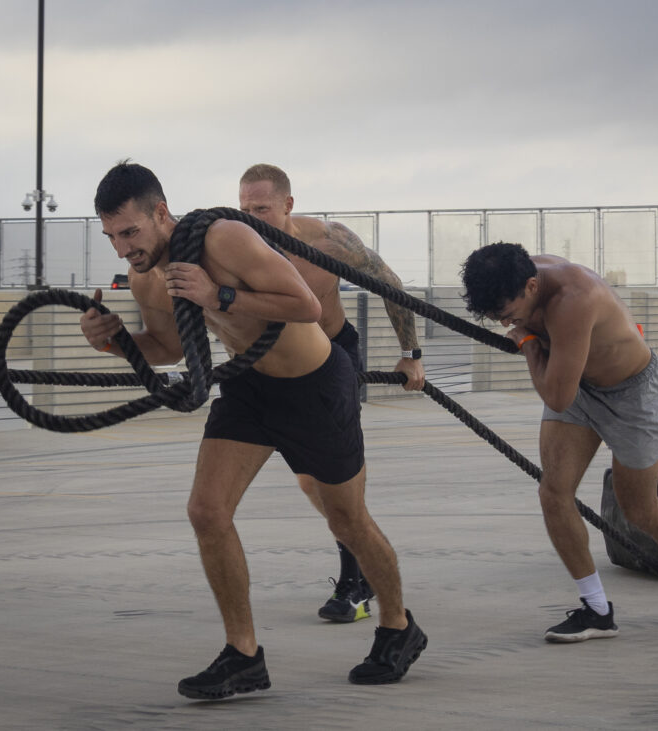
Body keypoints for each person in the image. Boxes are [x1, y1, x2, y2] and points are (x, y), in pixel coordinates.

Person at [81, 161, 426, 698]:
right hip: (249, 388)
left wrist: (216, 295)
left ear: (161, 213)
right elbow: (167, 349)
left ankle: (399, 626)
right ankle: (243, 655)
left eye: (130, 232)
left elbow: (305, 305)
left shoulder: (226, 240)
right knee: (206, 510)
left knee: (347, 520)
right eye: (111, 237)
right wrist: (113, 339)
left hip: (315, 386)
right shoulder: (148, 276)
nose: (123, 249)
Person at [460, 242, 658, 643]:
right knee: (553, 493)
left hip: (633, 393)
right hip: (579, 384)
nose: (501, 322)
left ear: (530, 286)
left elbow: (556, 396)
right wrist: (525, 329)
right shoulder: (524, 278)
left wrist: (528, 343)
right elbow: (564, 391)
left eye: (505, 314)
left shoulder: (574, 300)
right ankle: (596, 609)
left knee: (638, 509)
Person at [238, 163, 424, 625]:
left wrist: (411, 353)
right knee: (308, 480)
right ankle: (358, 558)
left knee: (333, 476)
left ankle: (357, 581)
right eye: (244, 208)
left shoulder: (329, 243)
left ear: (288, 205)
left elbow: (391, 285)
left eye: (261, 208)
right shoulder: (234, 245)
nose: (251, 217)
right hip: (274, 365)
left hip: (333, 359)